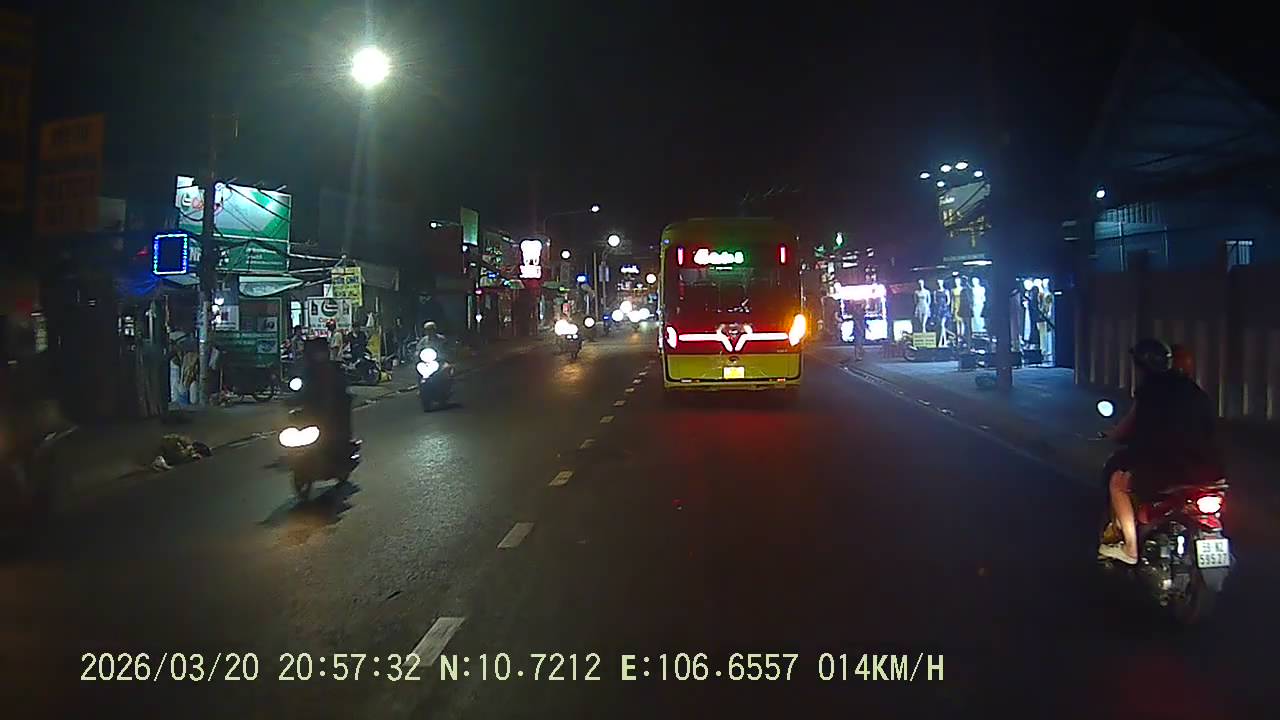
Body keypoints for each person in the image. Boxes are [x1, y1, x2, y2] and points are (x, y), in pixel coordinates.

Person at [1098, 338, 1219, 565]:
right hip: (1210, 468)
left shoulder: (1150, 391)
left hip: (1167, 466)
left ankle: (1130, 548)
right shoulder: (1196, 392)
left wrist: (1113, 435)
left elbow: (1130, 428)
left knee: (1118, 482)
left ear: (1141, 366)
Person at [299, 336, 352, 460]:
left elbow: (341, 390)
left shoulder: (333, 369)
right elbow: (302, 389)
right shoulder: (306, 370)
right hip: (311, 410)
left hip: (330, 412)